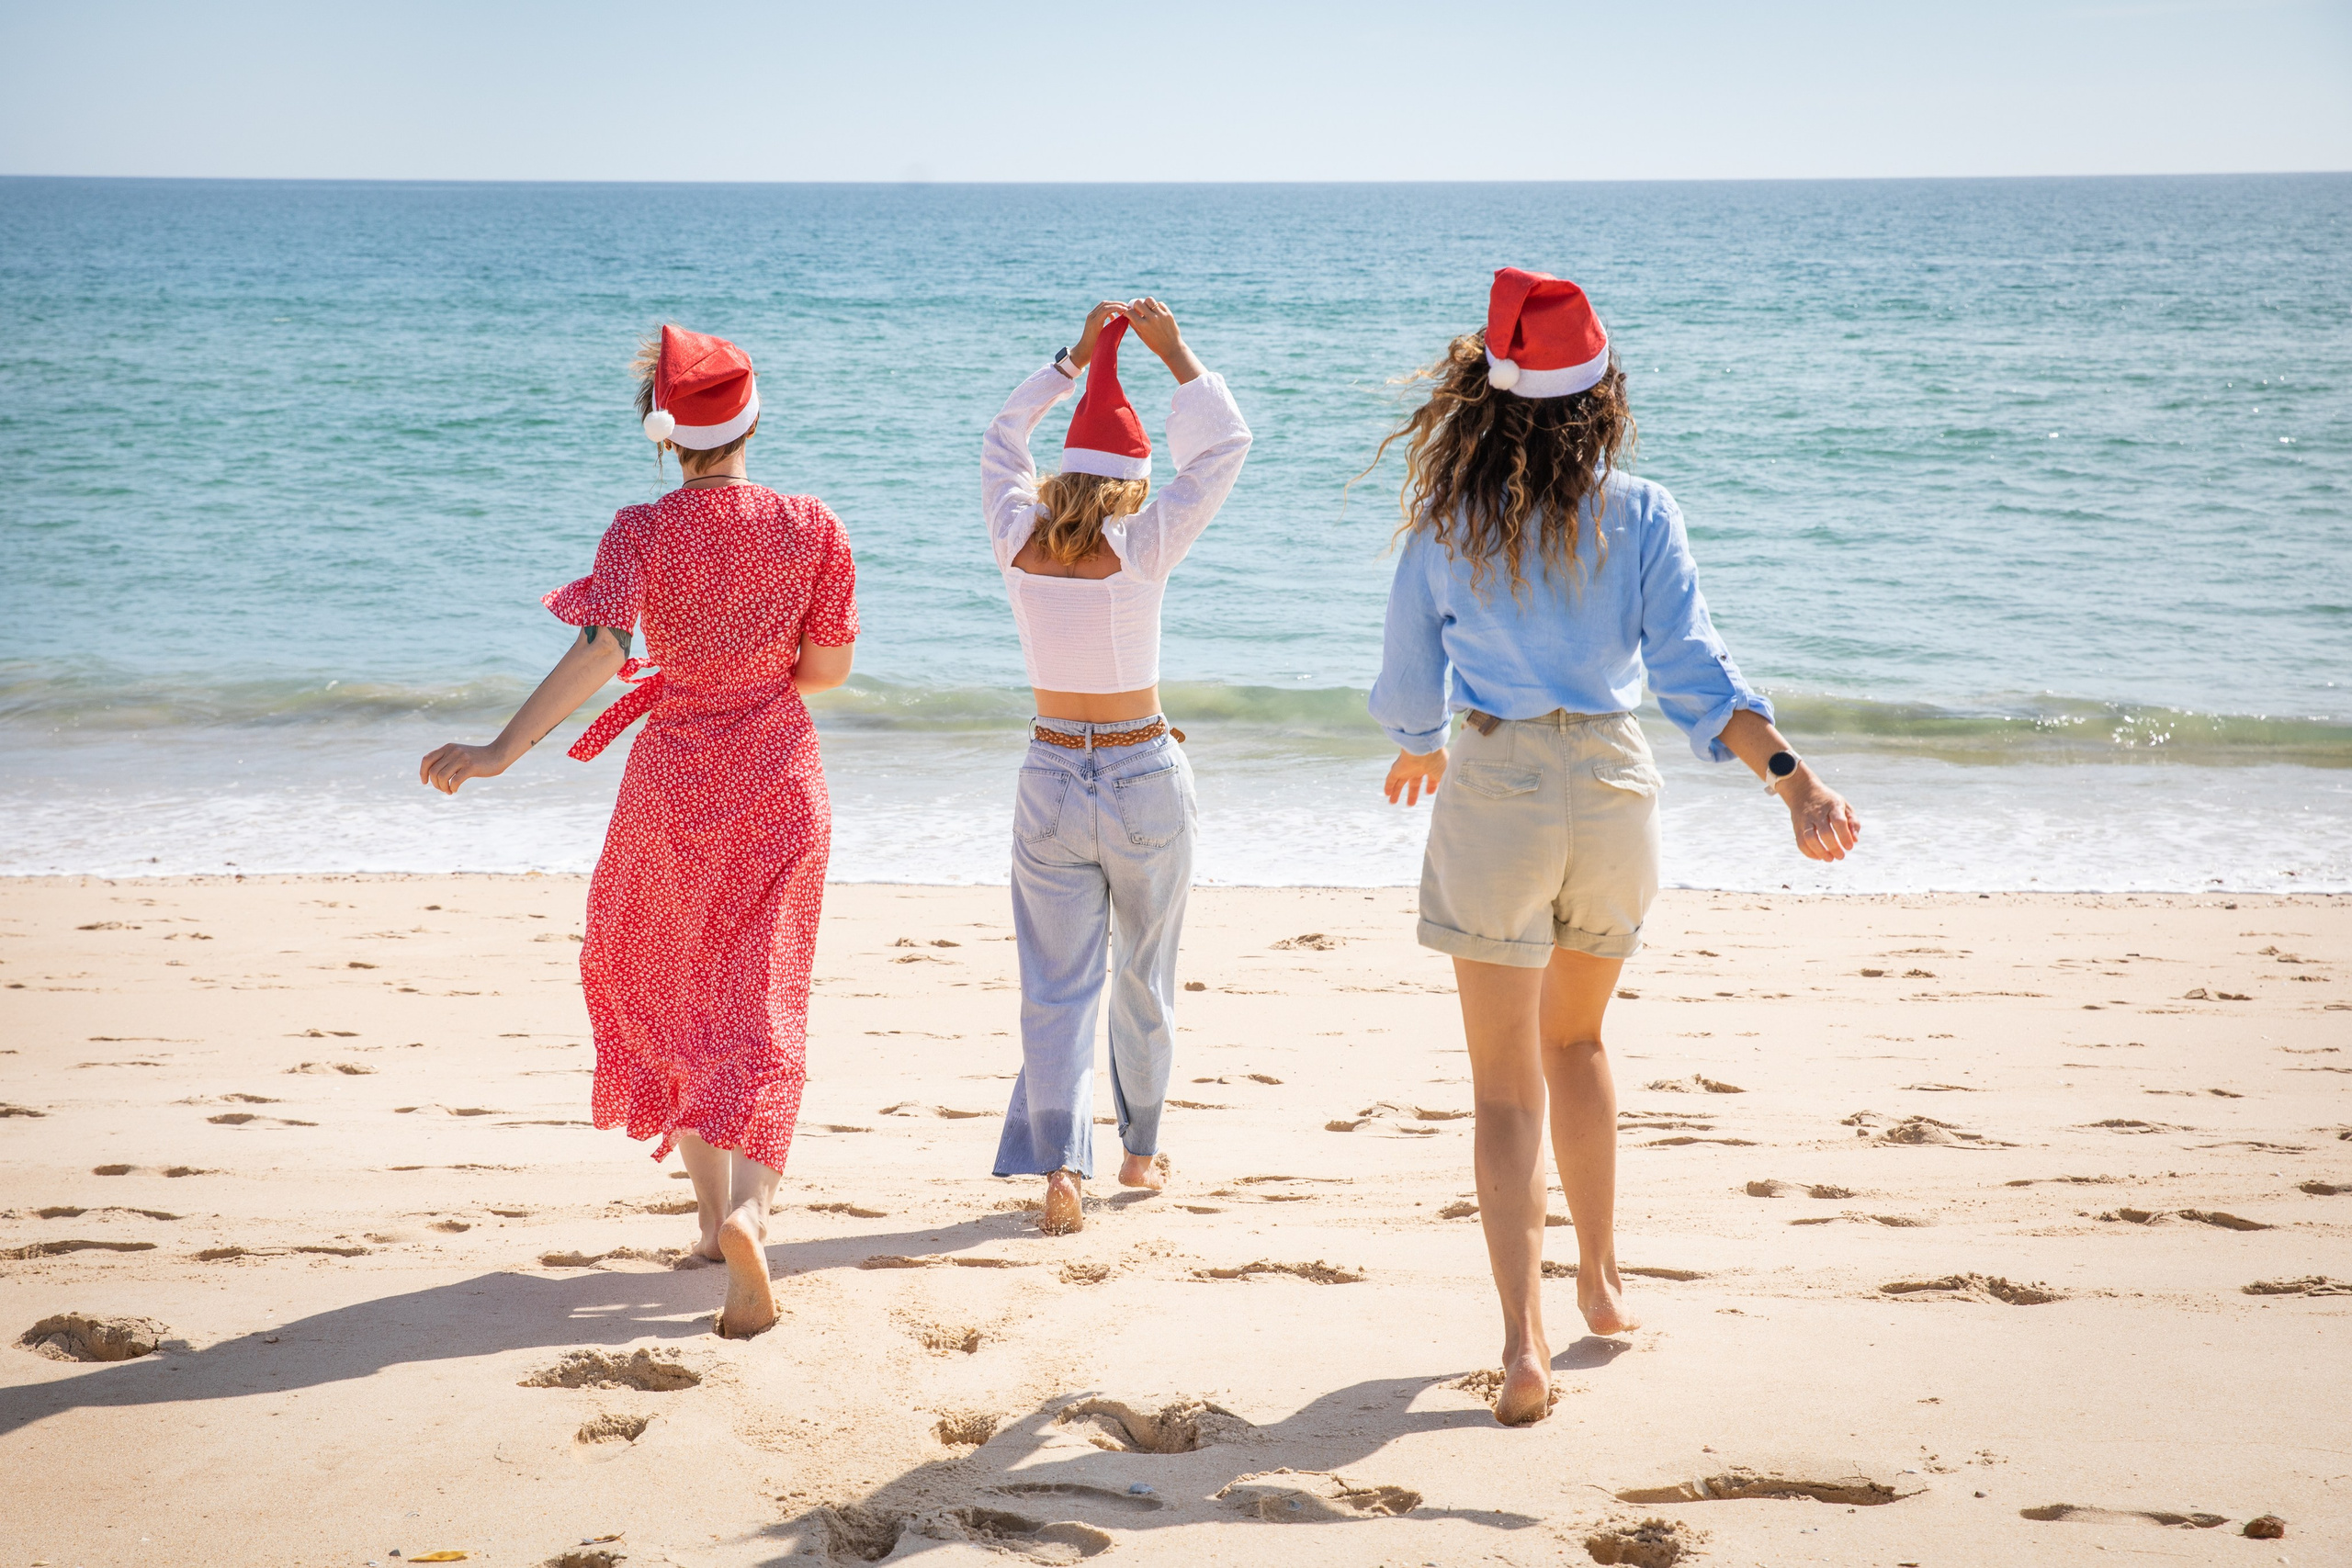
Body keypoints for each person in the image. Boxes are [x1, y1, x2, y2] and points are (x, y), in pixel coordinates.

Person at [1368, 268, 1861, 1425]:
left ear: (1482, 400)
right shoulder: (1639, 512)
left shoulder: (1447, 520)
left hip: (1497, 786)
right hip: (1612, 784)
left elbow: (1405, 682)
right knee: (1579, 1044)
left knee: (1501, 1092)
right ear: (1602, 397)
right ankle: (1595, 1278)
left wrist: (1416, 743)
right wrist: (1796, 784)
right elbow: (1694, 676)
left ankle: (1522, 1347)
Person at [418, 325, 857, 1337]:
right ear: (752, 422)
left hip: (671, 786)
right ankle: (746, 1212)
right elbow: (827, 673)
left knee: (662, 979)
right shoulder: (813, 525)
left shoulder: (638, 532)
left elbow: (601, 652)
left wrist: (497, 751)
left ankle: (712, 1222)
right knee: (762, 999)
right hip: (781, 781)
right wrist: (760, 670)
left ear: (665, 438)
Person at [978, 298, 1252, 1235]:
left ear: (1064, 477)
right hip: (1141, 772)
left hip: (1050, 772)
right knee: (1146, 970)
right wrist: (1175, 354)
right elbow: (1224, 449)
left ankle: (1059, 1166)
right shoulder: (1142, 546)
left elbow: (1003, 436)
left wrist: (1074, 362)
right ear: (1133, 482)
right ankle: (1138, 1152)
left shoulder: (1016, 540)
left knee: (1057, 984)